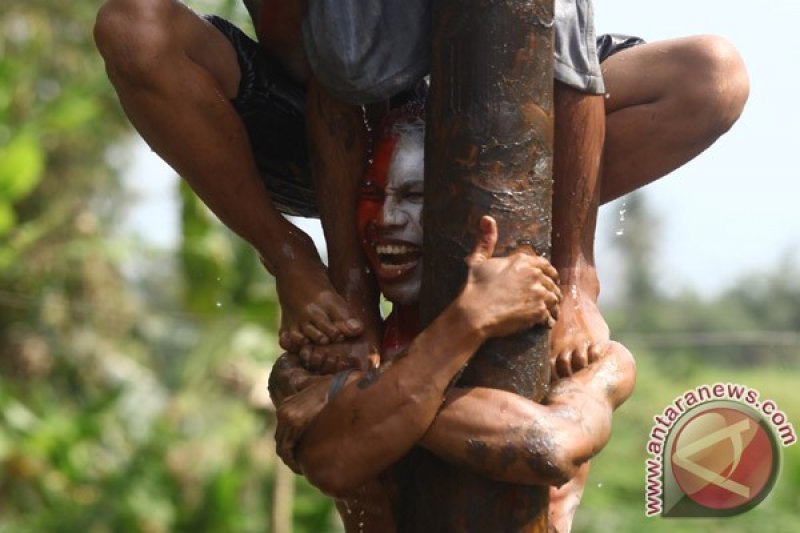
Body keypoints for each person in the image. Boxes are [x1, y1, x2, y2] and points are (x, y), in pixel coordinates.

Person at [93, 0, 749, 375]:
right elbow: (313, 64)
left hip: (508, 124)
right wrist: (344, 281)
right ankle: (301, 262)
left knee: (714, 76)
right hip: (327, 129)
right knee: (133, 26)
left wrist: (574, 273)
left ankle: (559, 264)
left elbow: (569, 57)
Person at [269, 107, 637, 532]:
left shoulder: (581, 355)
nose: (386, 219)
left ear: (473, 216)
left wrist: (351, 394)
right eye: (371, 195)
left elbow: (549, 446)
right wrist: (468, 320)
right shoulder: (321, 358)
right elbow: (333, 462)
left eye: (415, 195)